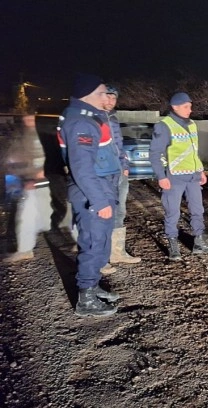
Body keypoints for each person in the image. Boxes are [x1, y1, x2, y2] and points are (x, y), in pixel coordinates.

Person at [59, 73, 121, 317]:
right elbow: (82, 168)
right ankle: (86, 298)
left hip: (101, 185)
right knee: (94, 243)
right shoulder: (82, 123)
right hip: (93, 189)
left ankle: (93, 287)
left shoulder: (88, 117)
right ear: (89, 95)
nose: (108, 97)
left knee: (101, 241)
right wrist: (99, 200)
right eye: (104, 92)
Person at [149, 92, 208, 261]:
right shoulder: (164, 125)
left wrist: (200, 170)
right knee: (172, 211)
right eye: (186, 107)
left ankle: (199, 242)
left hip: (193, 175)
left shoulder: (192, 124)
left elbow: (194, 151)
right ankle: (173, 245)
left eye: (190, 106)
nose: (190, 110)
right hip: (174, 176)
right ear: (175, 107)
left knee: (197, 210)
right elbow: (154, 153)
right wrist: (161, 176)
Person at [3, 115, 52, 263]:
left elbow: (41, 159)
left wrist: (35, 179)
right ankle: (25, 247)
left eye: (30, 118)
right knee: (28, 215)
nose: (27, 120)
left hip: (36, 183)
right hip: (30, 181)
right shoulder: (28, 134)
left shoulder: (37, 135)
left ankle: (25, 249)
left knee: (27, 216)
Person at [103, 86, 141, 264]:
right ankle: (101, 256)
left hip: (120, 172)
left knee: (120, 211)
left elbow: (119, 145)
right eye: (108, 97)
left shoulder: (113, 118)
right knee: (102, 212)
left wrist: (125, 165)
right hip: (104, 174)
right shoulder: (94, 118)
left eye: (114, 98)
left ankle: (117, 253)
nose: (111, 101)